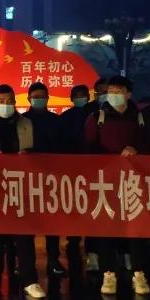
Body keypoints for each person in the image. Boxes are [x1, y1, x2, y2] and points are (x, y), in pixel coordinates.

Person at [84, 76, 150, 296]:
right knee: (106, 228)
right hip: (106, 182)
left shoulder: (140, 117)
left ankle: (138, 273)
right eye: (110, 91)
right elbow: (88, 149)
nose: (113, 95)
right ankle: (108, 273)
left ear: (128, 94)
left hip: (134, 183)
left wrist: (136, 148)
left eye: (119, 91)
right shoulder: (97, 117)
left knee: (136, 228)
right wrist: (109, 159)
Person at [0, 84, 47, 300]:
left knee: (24, 236)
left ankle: (29, 280)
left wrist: (28, 155)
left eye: (9, 101)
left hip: (21, 186)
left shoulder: (26, 123)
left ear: (15, 102)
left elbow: (37, 152)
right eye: (1, 101)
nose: (5, 105)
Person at [23, 82, 67, 276]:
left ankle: (53, 259)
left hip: (51, 177)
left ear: (48, 98)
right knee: (27, 222)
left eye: (42, 96)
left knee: (52, 221)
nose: (39, 100)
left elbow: (63, 147)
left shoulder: (57, 121)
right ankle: (26, 262)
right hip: (27, 178)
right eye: (35, 97)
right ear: (29, 99)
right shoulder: (22, 121)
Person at [57, 84, 92, 266]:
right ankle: (73, 240)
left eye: (83, 95)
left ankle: (92, 246)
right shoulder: (65, 118)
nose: (80, 98)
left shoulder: (95, 114)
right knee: (74, 206)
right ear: (71, 98)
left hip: (93, 169)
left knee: (94, 207)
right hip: (71, 170)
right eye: (77, 95)